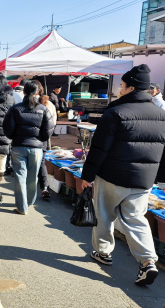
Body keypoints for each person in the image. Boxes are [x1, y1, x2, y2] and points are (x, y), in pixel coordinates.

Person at [81, 64, 165, 286]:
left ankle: (103, 253)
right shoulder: (161, 115)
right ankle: (148, 262)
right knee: (136, 219)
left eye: (122, 85)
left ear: (130, 87)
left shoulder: (115, 113)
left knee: (104, 215)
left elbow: (99, 150)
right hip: (143, 180)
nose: (119, 88)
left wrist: (87, 176)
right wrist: (157, 178)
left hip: (112, 176)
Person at [4, 82, 54, 215]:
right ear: (37, 93)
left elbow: (8, 129)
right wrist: (40, 139)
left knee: (20, 176)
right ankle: (29, 202)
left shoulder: (15, 109)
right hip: (37, 148)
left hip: (18, 146)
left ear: (24, 92)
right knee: (32, 177)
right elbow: (48, 130)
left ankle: (22, 207)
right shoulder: (44, 109)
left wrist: (15, 137)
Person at [37, 95, 56, 200]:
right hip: (44, 139)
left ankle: (27, 190)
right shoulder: (50, 105)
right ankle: (44, 187)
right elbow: (53, 123)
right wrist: (46, 136)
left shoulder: (30, 104)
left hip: (30, 139)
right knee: (41, 163)